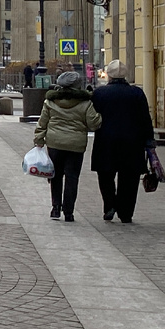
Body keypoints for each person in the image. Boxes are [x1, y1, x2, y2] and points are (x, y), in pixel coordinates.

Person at [33, 70, 102, 222]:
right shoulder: (85, 103)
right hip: (75, 145)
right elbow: (93, 124)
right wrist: (100, 117)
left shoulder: (50, 101)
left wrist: (39, 139)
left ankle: (55, 207)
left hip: (55, 143)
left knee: (55, 176)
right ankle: (69, 212)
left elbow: (42, 122)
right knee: (72, 178)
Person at [91, 60, 155, 223]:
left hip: (106, 141)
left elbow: (93, 118)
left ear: (109, 76)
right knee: (130, 178)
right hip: (132, 143)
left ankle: (110, 205)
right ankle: (126, 213)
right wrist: (149, 141)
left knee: (105, 175)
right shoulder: (137, 93)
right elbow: (145, 119)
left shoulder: (99, 94)